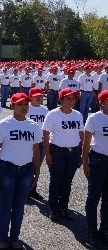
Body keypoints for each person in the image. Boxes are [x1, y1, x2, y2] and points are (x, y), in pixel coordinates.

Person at [0, 93, 42, 250]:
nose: (24, 107)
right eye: (20, 104)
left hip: (26, 169)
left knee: (19, 206)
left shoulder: (33, 125)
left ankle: (15, 238)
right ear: (12, 105)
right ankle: (3, 239)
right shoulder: (4, 125)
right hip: (7, 169)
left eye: (26, 104)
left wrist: (37, 172)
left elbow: (36, 151)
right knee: (6, 205)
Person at [42, 88, 84, 221]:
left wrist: (81, 152)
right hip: (58, 151)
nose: (71, 101)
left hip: (74, 152)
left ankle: (63, 208)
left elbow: (81, 133)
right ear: (61, 100)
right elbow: (46, 134)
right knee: (56, 180)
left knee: (67, 181)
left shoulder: (77, 115)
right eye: (68, 98)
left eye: (73, 98)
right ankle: (53, 209)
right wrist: (48, 154)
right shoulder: (53, 114)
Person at [82, 90, 108, 247]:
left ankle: (104, 230)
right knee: (94, 197)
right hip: (98, 160)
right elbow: (86, 142)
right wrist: (85, 162)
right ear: (102, 102)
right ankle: (92, 230)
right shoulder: (94, 118)